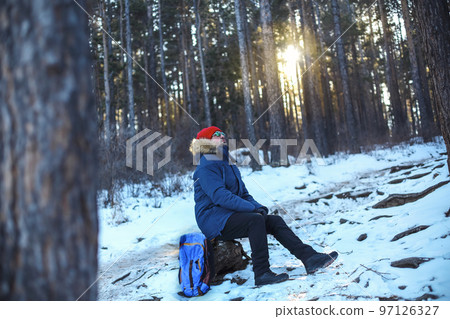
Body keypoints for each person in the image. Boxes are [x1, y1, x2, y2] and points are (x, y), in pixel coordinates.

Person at [190, 126, 338, 286]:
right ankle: (262, 273)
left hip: (228, 215)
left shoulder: (227, 162)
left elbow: (243, 194)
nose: (223, 136)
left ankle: (310, 258)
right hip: (213, 219)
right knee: (255, 221)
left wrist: (259, 207)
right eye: (217, 135)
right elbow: (220, 196)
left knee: (274, 220)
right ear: (206, 141)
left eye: (223, 133)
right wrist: (251, 210)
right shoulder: (207, 164)